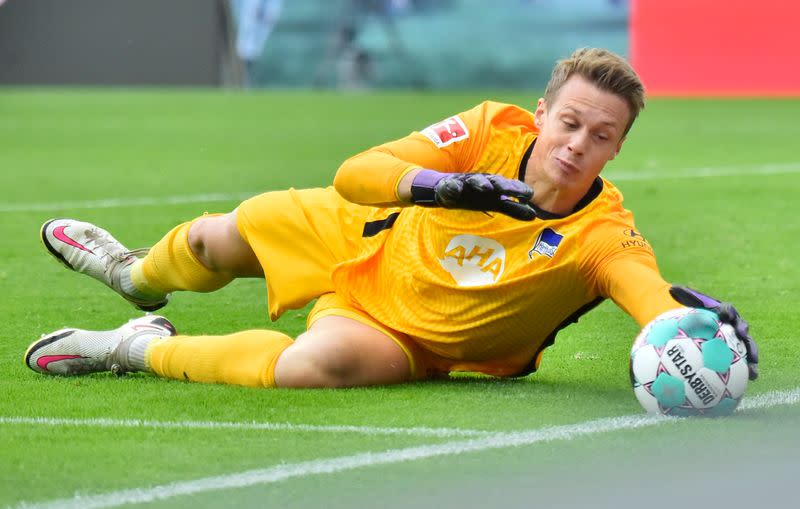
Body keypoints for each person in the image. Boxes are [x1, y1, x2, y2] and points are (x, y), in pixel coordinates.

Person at [24, 48, 758, 390]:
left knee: (318, 366)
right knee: (219, 237)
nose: (578, 144)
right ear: (542, 113)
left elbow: (647, 295)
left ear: (618, 146)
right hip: (369, 233)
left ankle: (135, 348)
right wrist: (443, 185)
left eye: (601, 136)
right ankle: (135, 276)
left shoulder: (603, 236)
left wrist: (685, 328)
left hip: (407, 331)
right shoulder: (486, 128)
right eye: (570, 122)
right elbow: (356, 174)